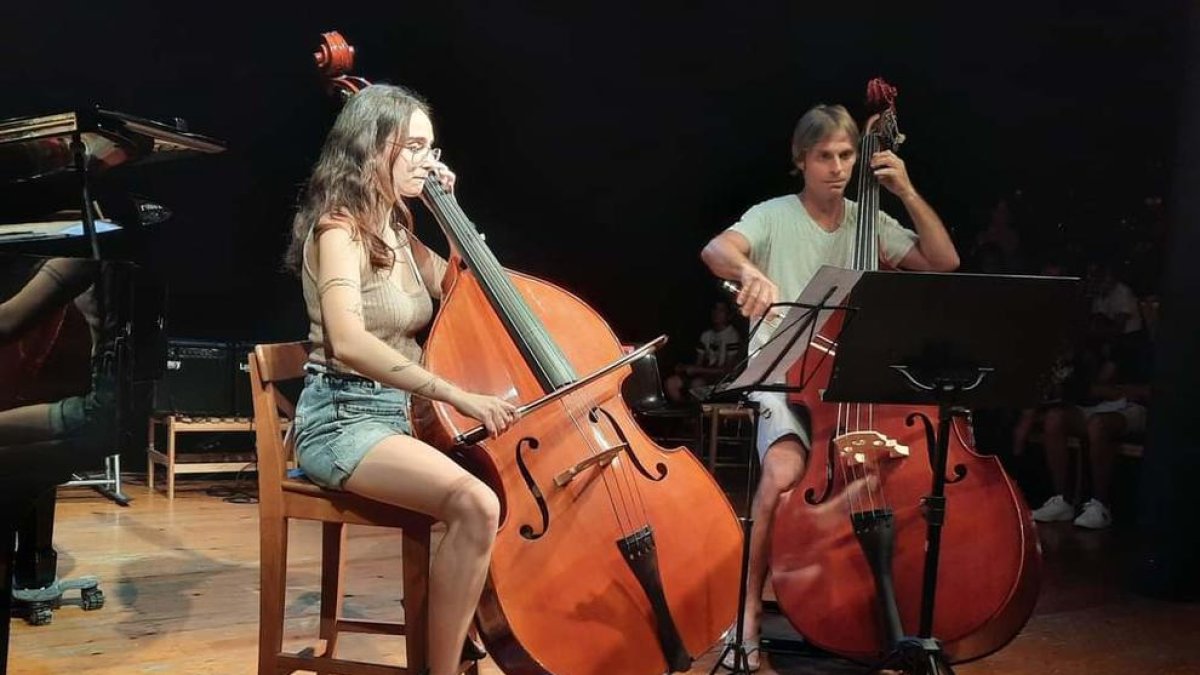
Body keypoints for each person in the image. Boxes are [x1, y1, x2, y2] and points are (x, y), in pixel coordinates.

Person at [700, 103, 960, 669]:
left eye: (847, 155)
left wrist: (908, 192)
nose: (838, 167)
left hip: (853, 378)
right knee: (782, 474)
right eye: (825, 156)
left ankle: (874, 606)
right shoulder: (772, 215)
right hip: (782, 373)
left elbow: (944, 261)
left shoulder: (870, 220)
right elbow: (716, 250)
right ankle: (745, 614)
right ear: (801, 161)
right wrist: (748, 272)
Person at [284, 84, 518, 675]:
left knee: (508, 488)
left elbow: (466, 296)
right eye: (413, 146)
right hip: (342, 419)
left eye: (432, 149)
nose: (428, 161)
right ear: (372, 146)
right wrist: (455, 394)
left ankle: (466, 639)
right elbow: (348, 341)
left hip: (400, 419)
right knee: (475, 503)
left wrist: (452, 218)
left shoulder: (399, 231)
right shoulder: (339, 230)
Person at [664, 299, 742, 402]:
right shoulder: (706, 335)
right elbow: (698, 364)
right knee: (671, 383)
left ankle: (695, 415)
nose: (716, 313)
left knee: (697, 384)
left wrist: (697, 370)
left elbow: (728, 370)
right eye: (714, 309)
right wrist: (686, 368)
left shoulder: (732, 335)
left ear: (728, 315)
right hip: (706, 375)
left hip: (724, 380)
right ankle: (686, 412)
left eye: (721, 310)